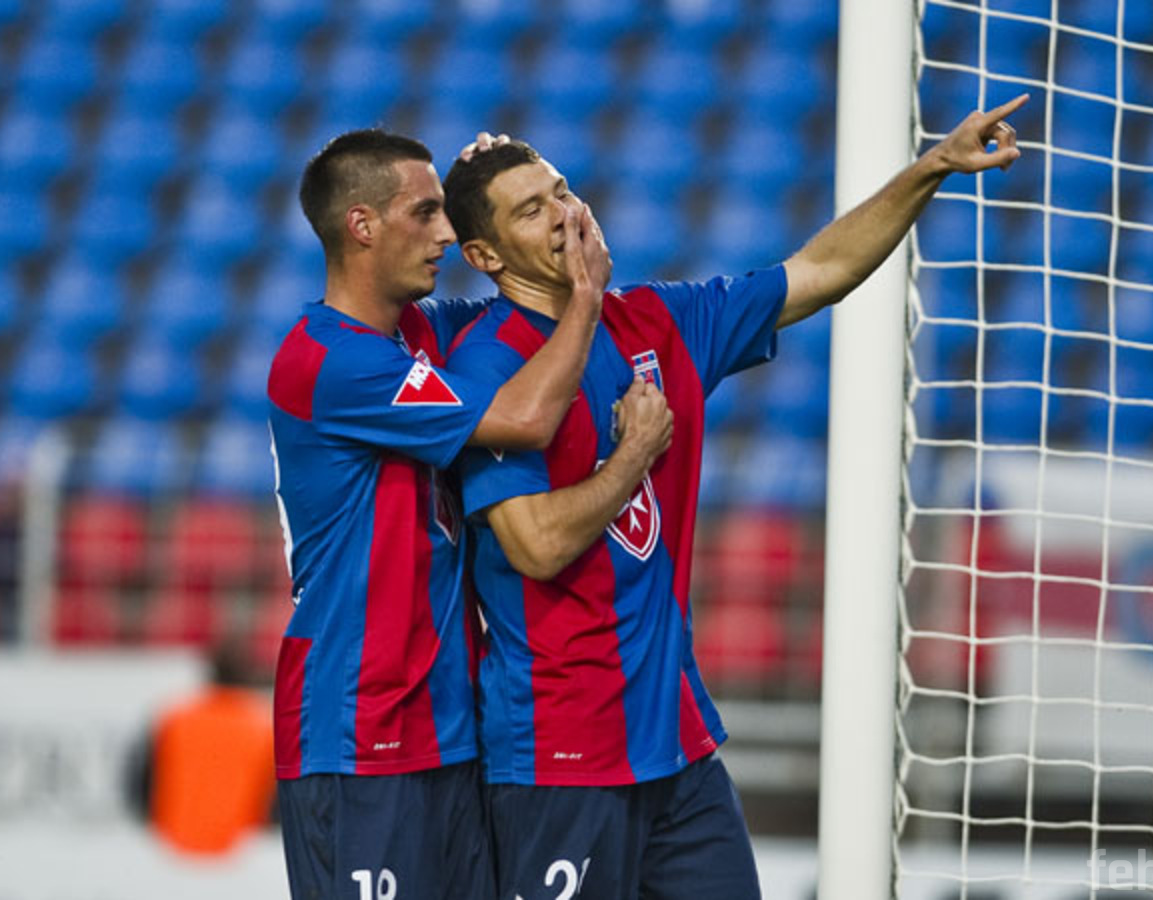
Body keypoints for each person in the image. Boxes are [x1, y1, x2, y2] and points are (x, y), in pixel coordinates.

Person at [440, 97, 1027, 899]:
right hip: (557, 753)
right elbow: (536, 545)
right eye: (531, 210)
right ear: (484, 254)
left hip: (676, 747)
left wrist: (933, 167)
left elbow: (819, 272)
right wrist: (634, 456)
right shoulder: (487, 367)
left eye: (563, 190)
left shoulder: (657, 324)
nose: (564, 214)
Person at [266, 128, 618, 900]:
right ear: (362, 225)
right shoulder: (326, 360)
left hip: (448, 729)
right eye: (426, 213)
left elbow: (516, 294)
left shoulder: (422, 333)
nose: (449, 234)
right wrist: (588, 301)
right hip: (357, 731)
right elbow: (525, 419)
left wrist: (485, 166)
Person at [128, 643, 275, 856]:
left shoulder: (174, 716)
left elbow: (143, 780)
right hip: (237, 848)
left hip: (171, 844)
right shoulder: (262, 724)